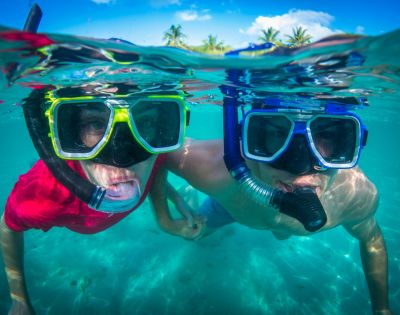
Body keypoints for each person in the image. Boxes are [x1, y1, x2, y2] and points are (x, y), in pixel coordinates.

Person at [150, 92, 394, 315]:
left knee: (282, 234)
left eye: (327, 137)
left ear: (349, 146)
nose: (299, 166)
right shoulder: (214, 169)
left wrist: (382, 308)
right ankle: (193, 193)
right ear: (244, 141)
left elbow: (371, 240)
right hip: (230, 203)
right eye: (276, 135)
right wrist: (166, 217)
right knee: (195, 236)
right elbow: (155, 152)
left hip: (259, 213)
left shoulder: (355, 196)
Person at [0, 83, 202, 315]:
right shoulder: (45, 194)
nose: (122, 157)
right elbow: (7, 226)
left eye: (145, 121)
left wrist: (168, 215)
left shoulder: (151, 145)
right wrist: (19, 299)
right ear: (69, 130)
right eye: (96, 124)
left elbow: (156, 169)